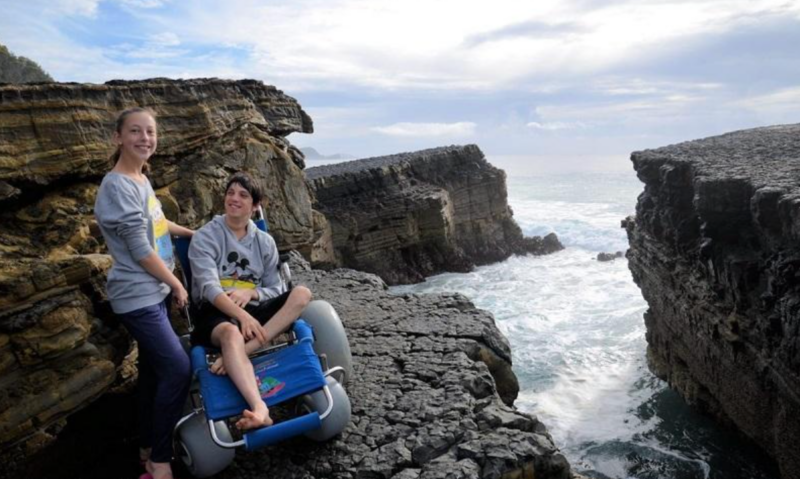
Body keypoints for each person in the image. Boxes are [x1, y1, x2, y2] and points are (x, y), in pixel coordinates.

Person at [94, 107, 194, 479]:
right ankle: (160, 460)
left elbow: (156, 221)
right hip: (136, 297)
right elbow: (139, 248)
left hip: (153, 291)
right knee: (178, 368)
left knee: (154, 373)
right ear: (118, 137)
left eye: (150, 132)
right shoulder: (117, 184)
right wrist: (177, 283)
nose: (144, 139)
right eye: (135, 131)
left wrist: (191, 234)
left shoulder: (139, 178)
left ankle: (147, 445)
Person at [188, 171, 312, 430]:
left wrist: (251, 294)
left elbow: (276, 287)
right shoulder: (206, 237)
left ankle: (243, 353)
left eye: (243, 195)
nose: (234, 199)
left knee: (302, 293)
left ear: (255, 206)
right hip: (215, 310)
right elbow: (209, 288)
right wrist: (241, 315)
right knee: (231, 334)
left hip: (253, 307)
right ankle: (259, 408)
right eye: (230, 193)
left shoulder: (264, 242)